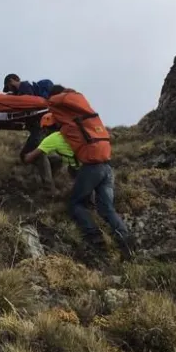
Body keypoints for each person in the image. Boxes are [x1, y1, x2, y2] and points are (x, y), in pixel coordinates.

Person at [32, 84, 134, 261]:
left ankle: (95, 237)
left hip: (91, 168)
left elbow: (35, 154)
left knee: (75, 204)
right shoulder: (83, 119)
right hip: (107, 167)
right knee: (107, 209)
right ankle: (125, 240)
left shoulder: (58, 132)